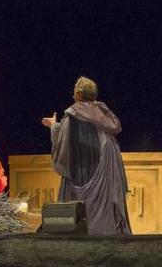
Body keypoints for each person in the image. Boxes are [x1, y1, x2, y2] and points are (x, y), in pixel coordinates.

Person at [41, 76, 131, 235]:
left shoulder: (73, 114)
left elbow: (63, 141)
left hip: (80, 171)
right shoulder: (103, 113)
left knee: (80, 210)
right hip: (102, 171)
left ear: (78, 94)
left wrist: (53, 125)